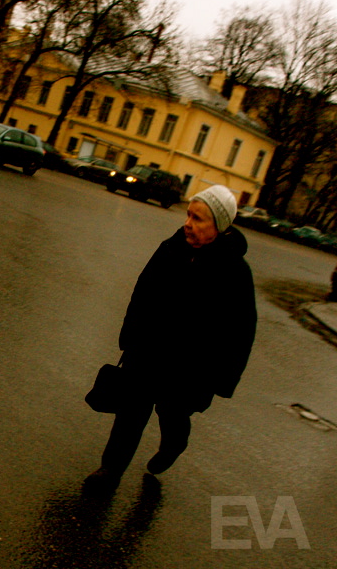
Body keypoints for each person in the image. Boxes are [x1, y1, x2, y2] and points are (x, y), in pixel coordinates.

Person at [86, 184, 257, 489]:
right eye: (189, 215)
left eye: (199, 219)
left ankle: (174, 445)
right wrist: (130, 336)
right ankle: (110, 471)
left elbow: (242, 330)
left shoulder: (235, 272)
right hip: (149, 352)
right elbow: (143, 291)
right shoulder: (171, 248)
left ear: (219, 225)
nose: (188, 224)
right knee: (130, 413)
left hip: (192, 368)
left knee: (172, 413)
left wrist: (224, 379)